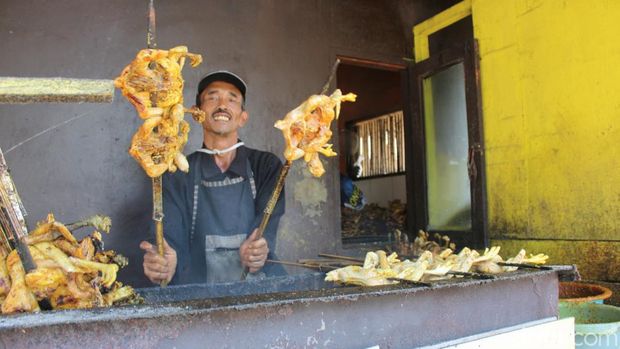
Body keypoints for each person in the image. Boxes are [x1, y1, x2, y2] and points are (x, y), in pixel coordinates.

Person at [140, 71, 285, 285]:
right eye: (212, 97)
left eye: (232, 99)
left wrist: (259, 248)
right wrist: (165, 262)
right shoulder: (177, 173)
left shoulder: (266, 166)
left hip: (258, 290)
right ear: (198, 113)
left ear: (243, 118)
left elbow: (267, 224)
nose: (222, 104)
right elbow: (169, 238)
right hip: (199, 294)